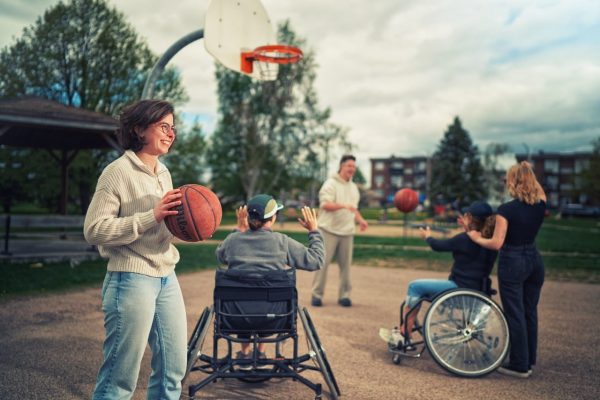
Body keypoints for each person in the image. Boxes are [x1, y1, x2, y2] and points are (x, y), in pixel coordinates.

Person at [84, 99, 186, 399]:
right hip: (130, 277)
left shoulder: (164, 173)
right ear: (139, 129)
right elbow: (93, 230)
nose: (170, 134)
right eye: (163, 126)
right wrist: (150, 215)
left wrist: (187, 226)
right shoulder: (116, 172)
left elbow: (164, 225)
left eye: (173, 128)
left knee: (173, 369)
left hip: (166, 274)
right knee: (120, 377)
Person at [216, 194, 324, 370]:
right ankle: (260, 351)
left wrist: (238, 229)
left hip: (234, 317)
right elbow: (316, 260)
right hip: (275, 318)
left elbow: (219, 256)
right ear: (272, 218)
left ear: (247, 217)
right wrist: (314, 231)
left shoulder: (233, 241)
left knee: (245, 301)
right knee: (268, 302)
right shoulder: (282, 242)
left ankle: (245, 353)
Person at [379, 201, 498, 347]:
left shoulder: (463, 239)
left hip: (459, 289)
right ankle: (405, 332)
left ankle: (404, 334)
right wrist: (468, 227)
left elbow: (438, 246)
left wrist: (427, 236)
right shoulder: (492, 241)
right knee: (421, 288)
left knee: (415, 287)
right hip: (479, 291)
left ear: (470, 218)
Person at [467, 161, 546, 378]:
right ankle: (528, 359)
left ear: (513, 181)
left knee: (515, 313)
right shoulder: (541, 203)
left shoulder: (506, 210)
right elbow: (537, 188)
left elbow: (496, 243)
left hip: (513, 261)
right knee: (529, 311)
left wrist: (475, 237)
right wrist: (526, 170)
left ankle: (520, 365)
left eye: (507, 178)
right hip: (534, 261)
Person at [311, 154, 368, 307]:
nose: (352, 169)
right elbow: (324, 205)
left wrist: (361, 220)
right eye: (349, 166)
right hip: (328, 229)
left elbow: (353, 209)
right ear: (342, 166)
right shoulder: (330, 184)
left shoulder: (354, 188)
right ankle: (317, 295)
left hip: (347, 231)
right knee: (323, 263)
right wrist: (343, 205)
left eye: (354, 167)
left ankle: (344, 296)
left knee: (346, 267)